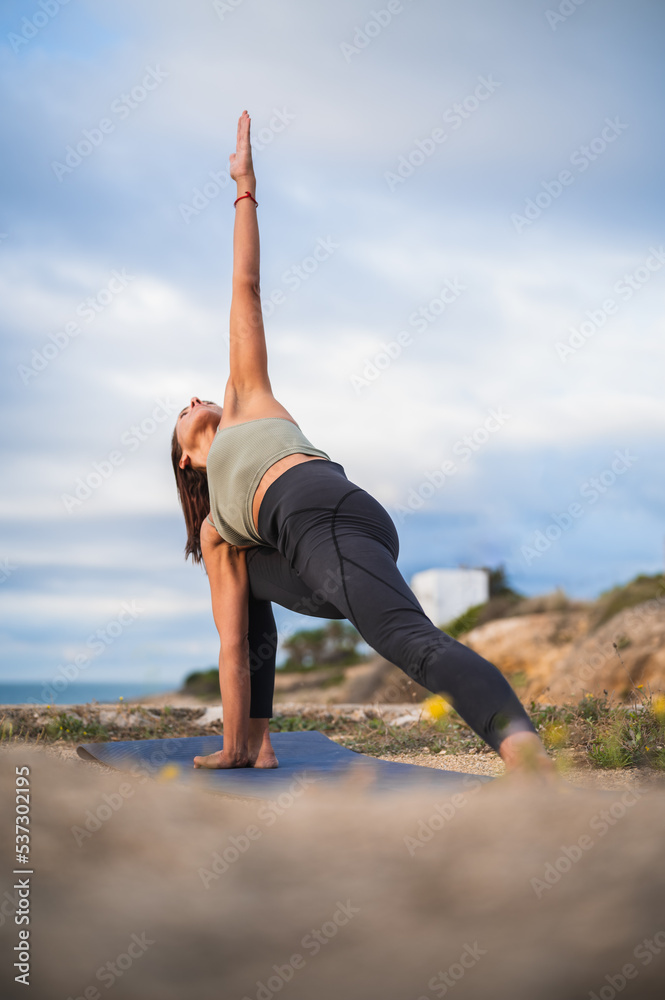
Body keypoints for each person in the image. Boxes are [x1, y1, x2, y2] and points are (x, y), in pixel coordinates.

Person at [171, 110, 553, 777]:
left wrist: (244, 186)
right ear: (184, 457)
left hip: (327, 513)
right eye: (180, 411)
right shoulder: (217, 534)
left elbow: (245, 287)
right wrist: (233, 742)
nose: (193, 399)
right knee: (246, 590)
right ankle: (252, 744)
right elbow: (235, 644)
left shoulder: (245, 400)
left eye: (196, 396)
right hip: (307, 553)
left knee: (410, 644)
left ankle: (523, 752)